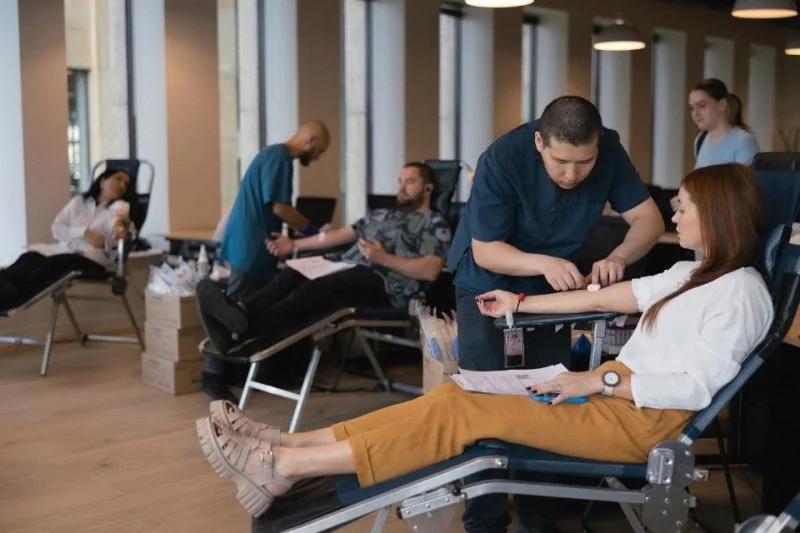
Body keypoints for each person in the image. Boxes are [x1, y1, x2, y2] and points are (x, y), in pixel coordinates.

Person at [194, 163, 773, 521]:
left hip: (638, 423)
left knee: (465, 415)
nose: (673, 210)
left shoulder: (741, 293)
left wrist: (599, 378)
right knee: (455, 394)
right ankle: (290, 445)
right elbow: (610, 297)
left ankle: (283, 466)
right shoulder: (690, 273)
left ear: (717, 213)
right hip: (610, 398)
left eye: (684, 205)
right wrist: (521, 303)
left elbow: (695, 388)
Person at [446, 95, 664, 530]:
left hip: (552, 292)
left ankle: (539, 518)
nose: (571, 175)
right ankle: (484, 520)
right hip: (487, 281)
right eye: (560, 162)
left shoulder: (608, 150)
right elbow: (487, 250)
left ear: (598, 146)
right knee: (485, 400)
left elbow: (650, 221)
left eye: (584, 164)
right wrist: (543, 263)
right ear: (539, 142)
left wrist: (619, 255)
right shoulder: (502, 158)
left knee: (549, 395)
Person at [196, 162, 451, 398]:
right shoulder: (380, 215)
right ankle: (240, 314)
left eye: (410, 182)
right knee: (293, 273)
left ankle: (247, 331)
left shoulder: (434, 223)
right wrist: (293, 245)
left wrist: (382, 258)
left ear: (428, 188)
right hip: (346, 267)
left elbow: (430, 270)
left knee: (319, 288)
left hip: (386, 285)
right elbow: (335, 236)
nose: (401, 187)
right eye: (400, 181)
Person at [219, 120, 331, 299]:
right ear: (310, 140)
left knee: (254, 305)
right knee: (239, 307)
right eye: (320, 151)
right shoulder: (279, 158)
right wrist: (313, 232)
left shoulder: (276, 156)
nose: (317, 157)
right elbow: (281, 209)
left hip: (251, 246)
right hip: (252, 247)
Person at [0, 169, 130, 310]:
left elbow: (116, 219)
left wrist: (117, 227)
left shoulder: (120, 206)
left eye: (126, 183)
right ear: (103, 181)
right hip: (64, 250)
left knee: (50, 265)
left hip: (92, 259)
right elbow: (57, 228)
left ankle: (12, 297)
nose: (122, 185)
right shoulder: (78, 202)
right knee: (29, 257)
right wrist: (84, 232)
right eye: (118, 179)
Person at [689, 78, 759, 169]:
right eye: (692, 108)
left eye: (702, 105)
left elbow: (746, 178)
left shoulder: (743, 141)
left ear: (722, 104)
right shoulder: (700, 140)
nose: (695, 113)